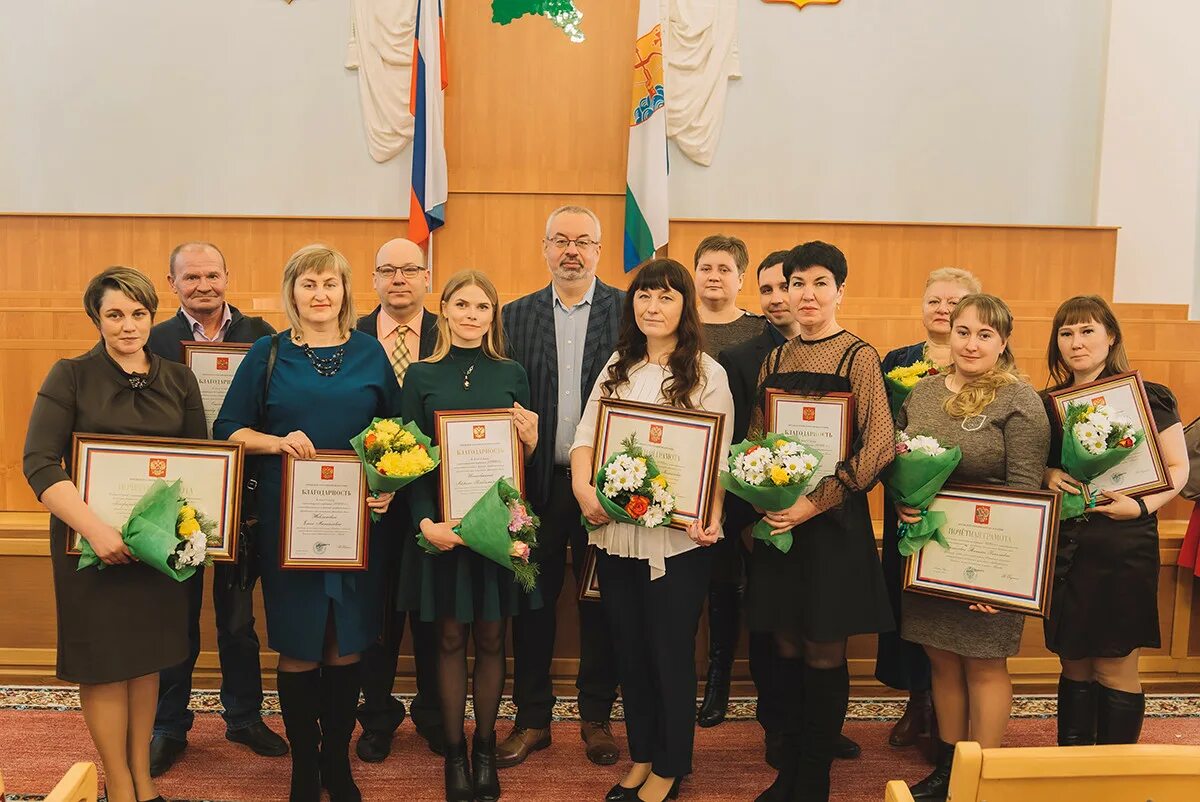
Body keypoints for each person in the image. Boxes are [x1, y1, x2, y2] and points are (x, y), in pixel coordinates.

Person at [214, 245, 398, 802]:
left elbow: (396, 437)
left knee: (345, 645)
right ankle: (302, 768)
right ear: (291, 291)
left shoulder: (370, 354)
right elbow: (228, 429)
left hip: (357, 528)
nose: (320, 294)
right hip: (286, 526)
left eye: (331, 284)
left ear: (346, 291)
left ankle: (336, 762)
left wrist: (387, 487)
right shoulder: (267, 353)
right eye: (309, 283)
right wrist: (276, 442)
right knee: (298, 645)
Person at [24, 266, 206, 802]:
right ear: (97, 318)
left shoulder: (179, 378)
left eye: (138, 314)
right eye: (115, 315)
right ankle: (120, 783)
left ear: (153, 315)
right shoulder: (71, 375)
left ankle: (145, 780)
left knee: (145, 661)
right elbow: (38, 464)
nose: (128, 326)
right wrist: (97, 530)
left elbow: (198, 463)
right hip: (89, 549)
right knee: (105, 666)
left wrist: (187, 533)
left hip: (155, 551)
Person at [571, 258, 734, 802]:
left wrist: (709, 513)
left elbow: (717, 460)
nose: (652, 306)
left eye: (665, 297)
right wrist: (583, 490)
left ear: (685, 306)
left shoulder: (708, 374)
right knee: (630, 652)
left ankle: (670, 764)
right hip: (617, 538)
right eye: (643, 296)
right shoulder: (619, 364)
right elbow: (584, 437)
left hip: (677, 544)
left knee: (668, 653)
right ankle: (641, 755)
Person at [746, 241, 895, 802]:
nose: (805, 295)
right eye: (796, 283)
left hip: (831, 523)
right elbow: (759, 438)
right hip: (781, 523)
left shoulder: (858, 355)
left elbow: (879, 445)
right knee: (785, 642)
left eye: (818, 283)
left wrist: (814, 502)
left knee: (823, 647)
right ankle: (791, 757)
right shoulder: (776, 360)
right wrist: (763, 490)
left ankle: (812, 779)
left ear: (839, 291)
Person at [896, 293, 1049, 800]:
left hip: (992, 562)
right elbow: (900, 464)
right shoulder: (921, 393)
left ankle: (984, 777)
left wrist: (999, 581)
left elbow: (1026, 492)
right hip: (933, 555)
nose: (971, 343)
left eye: (985, 334)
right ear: (949, 334)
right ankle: (948, 767)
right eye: (963, 331)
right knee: (941, 658)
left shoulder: (1019, 400)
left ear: (1003, 341)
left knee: (984, 664)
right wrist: (902, 502)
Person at [396, 270, 540, 802]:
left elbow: (523, 465)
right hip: (443, 529)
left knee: (492, 639)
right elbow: (410, 462)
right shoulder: (420, 376)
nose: (472, 314)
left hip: (497, 533)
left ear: (493, 315)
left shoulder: (512, 372)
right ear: (445, 310)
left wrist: (531, 440)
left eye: (482, 306)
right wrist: (427, 523)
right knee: (451, 639)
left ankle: (485, 749)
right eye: (462, 304)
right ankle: (454, 754)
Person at [145, 241, 285, 777]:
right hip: (175, 498)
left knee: (237, 619)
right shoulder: (155, 339)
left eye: (212, 275)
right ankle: (169, 725)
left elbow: (272, 408)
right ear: (172, 281)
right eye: (191, 277)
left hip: (243, 497)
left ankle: (244, 717)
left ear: (228, 276)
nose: (203, 285)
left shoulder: (264, 337)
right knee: (176, 619)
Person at [498, 205, 624, 768]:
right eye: (560, 240)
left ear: (600, 249)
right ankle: (531, 720)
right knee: (532, 605)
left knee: (601, 605)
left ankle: (596, 717)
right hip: (538, 489)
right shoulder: (514, 316)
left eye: (583, 241)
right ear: (544, 248)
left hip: (605, 492)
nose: (571, 251)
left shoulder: (628, 311)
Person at [1041, 296, 1187, 746]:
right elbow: (1039, 469)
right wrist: (1049, 473)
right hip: (1067, 547)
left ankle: (1114, 775)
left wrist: (1140, 507)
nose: (1076, 342)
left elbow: (1178, 469)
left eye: (1087, 331)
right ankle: (1073, 769)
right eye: (1066, 333)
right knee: (1073, 660)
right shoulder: (1048, 404)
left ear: (1111, 336)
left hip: (1124, 543)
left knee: (1115, 662)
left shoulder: (1149, 397)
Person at [875, 267, 981, 755]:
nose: (942, 309)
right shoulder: (897, 361)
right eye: (934, 299)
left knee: (950, 608)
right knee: (910, 606)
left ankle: (951, 715)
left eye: (954, 301)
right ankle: (917, 703)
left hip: (965, 507)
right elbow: (881, 431)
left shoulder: (988, 361)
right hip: (909, 507)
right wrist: (902, 488)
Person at [353, 237, 444, 761]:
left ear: (427, 277)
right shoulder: (353, 336)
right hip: (372, 503)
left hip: (438, 497)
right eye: (387, 270)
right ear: (374, 280)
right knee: (378, 615)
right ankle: (377, 715)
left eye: (410, 269)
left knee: (433, 612)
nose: (399, 279)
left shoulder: (449, 330)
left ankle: (434, 712)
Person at [692, 234, 767, 729]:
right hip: (683, 475)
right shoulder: (679, 324)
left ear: (742, 278)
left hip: (740, 480)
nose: (714, 276)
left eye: (724, 268)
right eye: (705, 267)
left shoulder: (760, 333)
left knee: (729, 582)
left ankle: (721, 675)